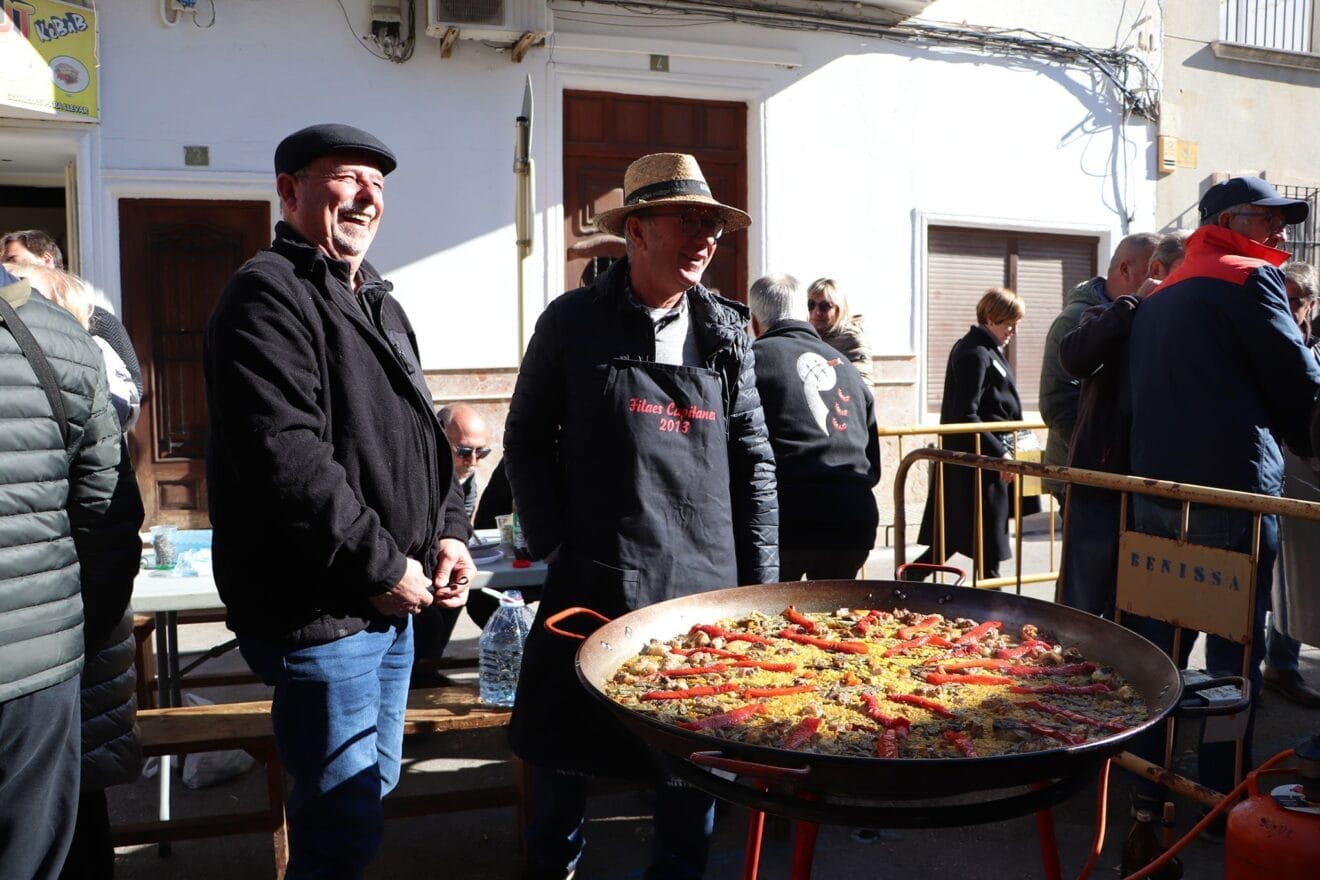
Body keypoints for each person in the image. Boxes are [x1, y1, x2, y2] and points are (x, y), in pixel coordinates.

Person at [204, 123, 474, 878]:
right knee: (339, 822)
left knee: (367, 790)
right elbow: (287, 461)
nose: (367, 197)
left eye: (379, 186)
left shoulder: (379, 299)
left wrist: (450, 530)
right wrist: (384, 566)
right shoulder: (268, 293)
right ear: (289, 191)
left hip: (386, 606)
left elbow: (427, 435)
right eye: (348, 178)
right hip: (324, 615)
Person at [504, 152, 778, 880]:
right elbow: (525, 439)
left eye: (713, 227)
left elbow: (754, 461)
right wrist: (553, 539)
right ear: (636, 230)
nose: (705, 239)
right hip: (594, 580)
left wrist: (763, 589)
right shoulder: (572, 322)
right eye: (688, 221)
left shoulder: (727, 332)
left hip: (701, 596)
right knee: (563, 777)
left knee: (690, 791)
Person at [1126, 176, 1320, 801]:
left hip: (1157, 491)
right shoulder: (1248, 277)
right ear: (1233, 221)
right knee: (1234, 659)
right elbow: (1300, 382)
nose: (1281, 232)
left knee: (1159, 646)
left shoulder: (1164, 291)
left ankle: (1148, 783)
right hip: (1229, 490)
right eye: (1270, 220)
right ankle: (1219, 788)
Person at [0, 265, 144, 880]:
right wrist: (67, 640)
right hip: (36, 677)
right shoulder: (51, 336)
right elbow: (109, 524)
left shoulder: (66, 334)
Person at [1054, 230, 1188, 617]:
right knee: (1082, 607)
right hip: (1101, 483)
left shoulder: (1183, 325)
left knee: (1137, 610)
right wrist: (1132, 305)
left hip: (1155, 488)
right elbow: (1072, 359)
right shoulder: (1105, 314)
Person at [748, 273, 880, 579]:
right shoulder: (845, 366)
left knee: (773, 621)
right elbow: (872, 465)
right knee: (838, 620)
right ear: (803, 313)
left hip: (786, 521)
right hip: (853, 520)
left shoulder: (751, 360)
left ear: (755, 322)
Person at [910, 288, 1026, 581]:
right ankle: (911, 582)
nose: (1013, 329)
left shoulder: (986, 349)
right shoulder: (975, 352)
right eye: (1008, 322)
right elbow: (966, 412)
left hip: (984, 466)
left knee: (966, 542)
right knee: (978, 543)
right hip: (980, 467)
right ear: (990, 317)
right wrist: (999, 453)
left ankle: (911, 580)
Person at [1039, 233, 1160, 497]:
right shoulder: (1074, 319)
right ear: (1126, 269)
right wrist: (1102, 454)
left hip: (1120, 475)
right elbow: (1057, 401)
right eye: (1153, 269)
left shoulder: (1144, 313)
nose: (1160, 278)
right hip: (1084, 476)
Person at [1261, 260, 1320, 707]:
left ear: (1311, 306)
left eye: (1296, 299)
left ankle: (1282, 664)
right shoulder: (1260, 343)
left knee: (1294, 575)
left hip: (1302, 482)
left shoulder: (1313, 354)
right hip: (1260, 477)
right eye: (1282, 295)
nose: (1287, 306)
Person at [3, 231, 143, 413]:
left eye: (12, 259)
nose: (5, 268)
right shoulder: (8, 319)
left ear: (46, 260)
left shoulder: (94, 318)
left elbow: (132, 389)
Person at [806, 277, 873, 383]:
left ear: (839, 309)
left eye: (825, 306)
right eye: (811, 305)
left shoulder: (852, 339)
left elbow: (863, 385)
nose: (816, 312)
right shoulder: (805, 335)